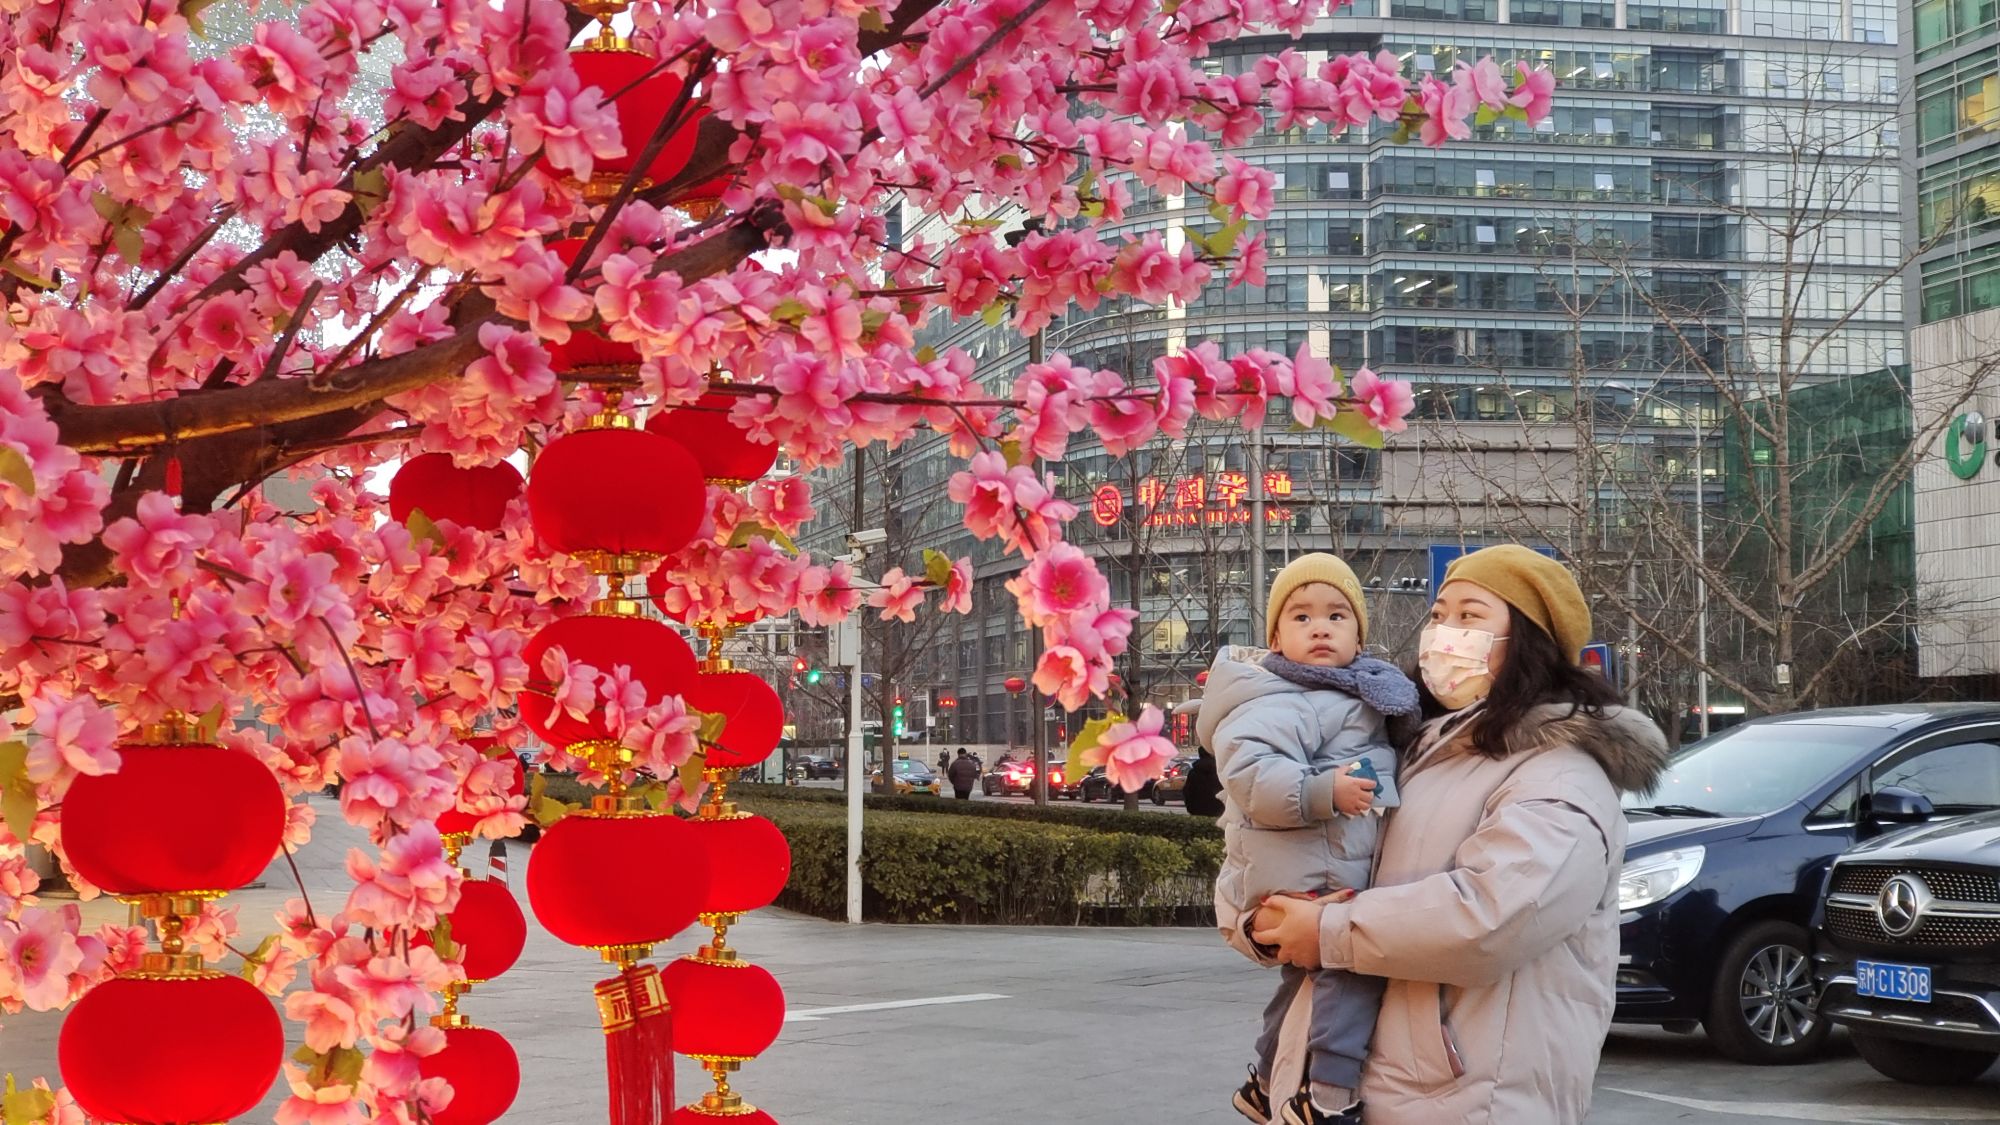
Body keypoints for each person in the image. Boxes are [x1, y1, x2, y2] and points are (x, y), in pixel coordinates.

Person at [1250, 545, 1669, 1125]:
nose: (1445, 633)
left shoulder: (1561, 775)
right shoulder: (1421, 753)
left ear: (1527, 640)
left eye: (1470, 617)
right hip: (1382, 1092)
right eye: (1440, 615)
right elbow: (1327, 858)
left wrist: (1325, 931)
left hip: (1473, 1100)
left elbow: (1492, 919)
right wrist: (1263, 920)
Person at [1199, 554, 1420, 1125]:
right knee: (1351, 975)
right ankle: (1328, 1096)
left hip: (1319, 864)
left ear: (1359, 635)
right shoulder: (1280, 698)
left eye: (1336, 616)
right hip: (1309, 872)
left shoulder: (1347, 693)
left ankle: (1266, 1078)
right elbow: (1250, 776)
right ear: (1276, 637)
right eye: (1301, 617)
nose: (1320, 627)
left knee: (1301, 984)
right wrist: (1323, 791)